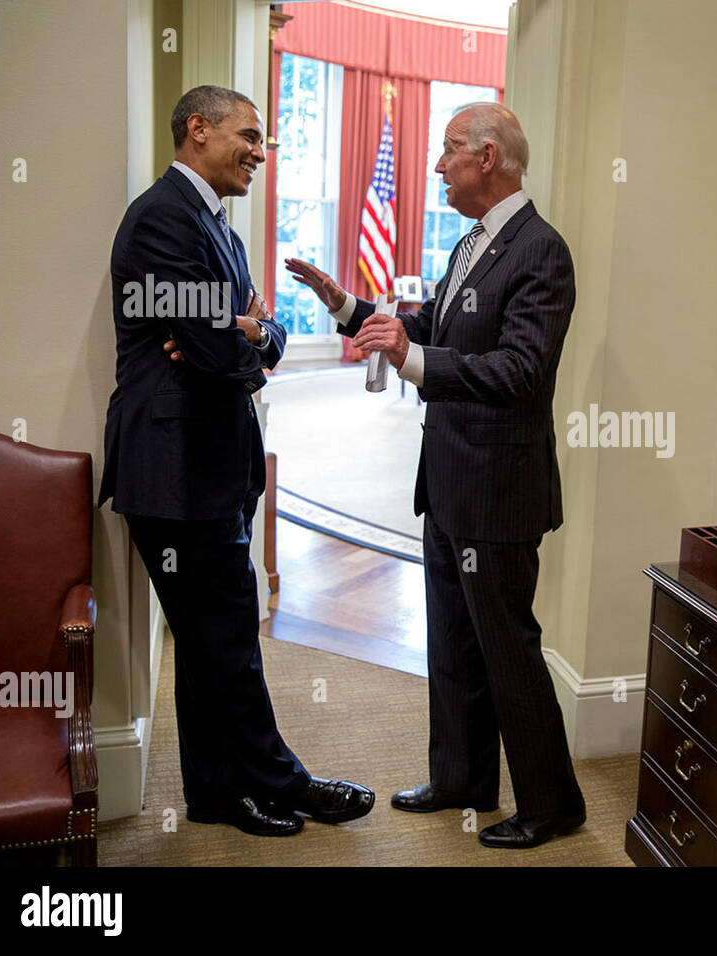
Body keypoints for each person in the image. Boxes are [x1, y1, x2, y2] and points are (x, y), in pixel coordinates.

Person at [285, 101, 585, 849]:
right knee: (451, 643)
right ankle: (461, 778)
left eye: (450, 151)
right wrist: (350, 308)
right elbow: (426, 331)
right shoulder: (470, 245)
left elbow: (519, 372)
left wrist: (411, 361)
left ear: (489, 158)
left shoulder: (541, 251)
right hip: (449, 483)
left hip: (500, 492)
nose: (438, 164)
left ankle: (554, 805)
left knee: (508, 650)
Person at [98, 85, 374, 837]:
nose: (261, 152)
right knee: (227, 638)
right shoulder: (160, 218)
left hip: (211, 466)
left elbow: (253, 337)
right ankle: (283, 783)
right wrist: (240, 338)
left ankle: (219, 794)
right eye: (250, 136)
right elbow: (225, 342)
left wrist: (246, 337)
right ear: (198, 130)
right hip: (174, 471)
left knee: (212, 638)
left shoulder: (218, 227)